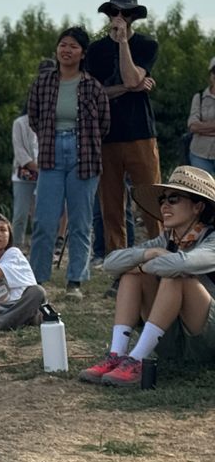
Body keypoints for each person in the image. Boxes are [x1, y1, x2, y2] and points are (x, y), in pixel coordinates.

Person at [80, 166, 215, 387]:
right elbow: (111, 263)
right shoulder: (164, 240)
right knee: (131, 277)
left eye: (174, 199)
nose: (165, 205)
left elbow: (181, 263)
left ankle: (138, 359)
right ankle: (117, 355)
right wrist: (149, 253)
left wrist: (141, 266)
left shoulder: (211, 240)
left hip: (208, 337)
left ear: (197, 207)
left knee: (176, 277)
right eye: (163, 199)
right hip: (175, 337)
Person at [26, 27, 111, 296]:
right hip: (51, 153)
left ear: (82, 53)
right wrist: (53, 136)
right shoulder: (43, 83)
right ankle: (37, 278)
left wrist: (82, 139)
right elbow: (34, 117)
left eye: (73, 46)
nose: (66, 50)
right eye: (63, 44)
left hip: (84, 154)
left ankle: (75, 280)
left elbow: (104, 124)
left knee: (80, 221)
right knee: (44, 220)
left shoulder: (92, 86)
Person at [87, 0, 161, 259]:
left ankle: (161, 253)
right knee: (112, 206)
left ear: (133, 17)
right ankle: (118, 263)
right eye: (115, 11)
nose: (120, 17)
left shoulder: (146, 45)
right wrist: (131, 87)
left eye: (126, 13)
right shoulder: (94, 51)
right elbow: (98, 92)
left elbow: (132, 77)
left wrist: (122, 44)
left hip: (140, 133)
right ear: (108, 14)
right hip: (106, 136)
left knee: (151, 198)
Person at [10, 109, 38, 249]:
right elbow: (19, 150)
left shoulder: (49, 121)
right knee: (20, 213)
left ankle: (37, 245)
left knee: (39, 215)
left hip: (45, 174)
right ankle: (16, 245)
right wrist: (34, 166)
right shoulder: (20, 123)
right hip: (24, 175)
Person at [186, 56, 215, 176]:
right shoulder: (199, 97)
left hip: (201, 142)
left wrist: (203, 129)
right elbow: (193, 126)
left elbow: (198, 127)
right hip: (199, 154)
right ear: (210, 75)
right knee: (200, 193)